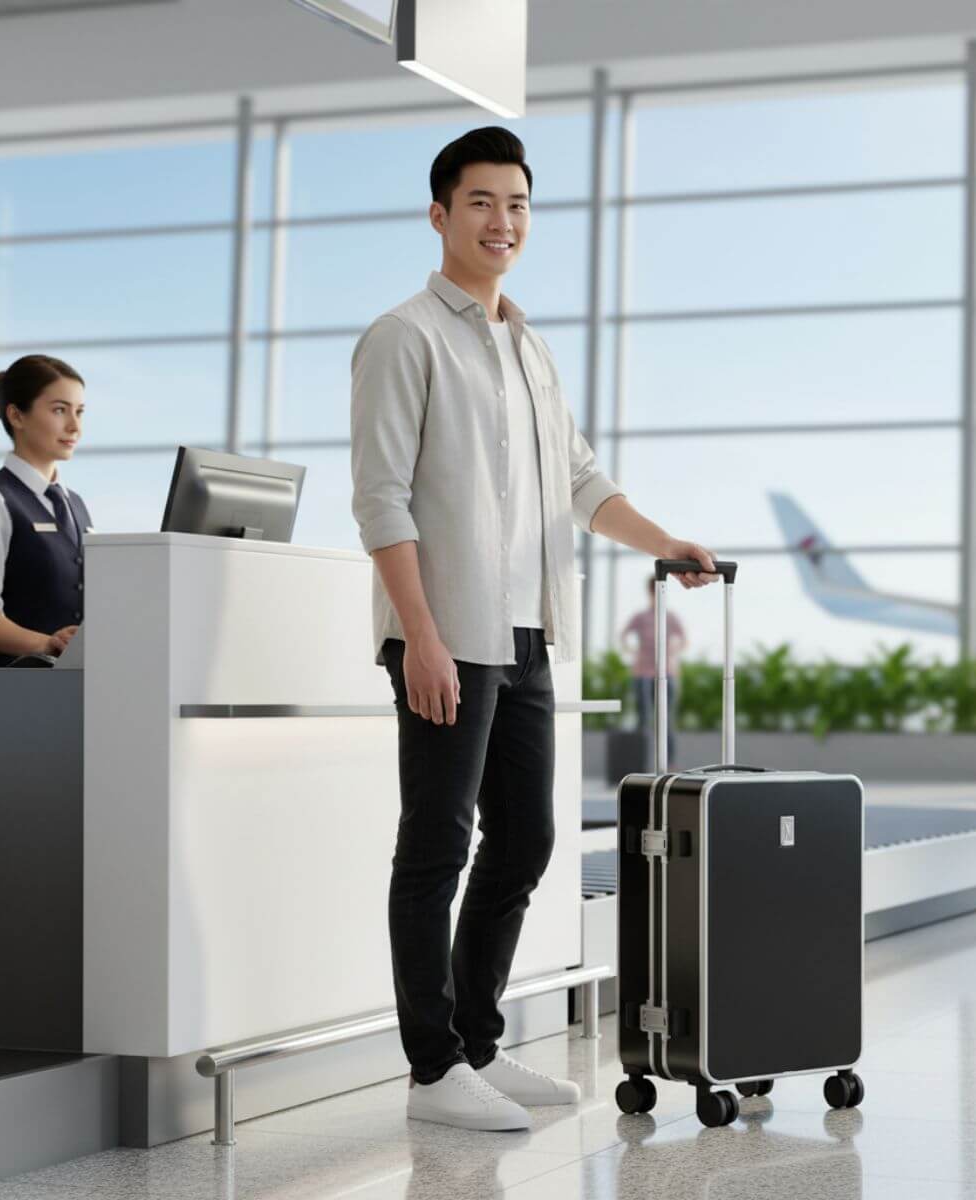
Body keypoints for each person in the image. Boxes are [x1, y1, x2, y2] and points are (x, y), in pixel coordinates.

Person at [350, 127, 719, 1133]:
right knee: (437, 846)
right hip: (445, 632)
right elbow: (381, 499)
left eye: (515, 203)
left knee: (528, 840)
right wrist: (417, 635)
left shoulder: (529, 345)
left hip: (524, 633)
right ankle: (433, 1073)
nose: (501, 220)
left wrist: (665, 540)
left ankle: (476, 1043)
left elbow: (582, 484)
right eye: (480, 202)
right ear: (440, 215)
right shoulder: (403, 335)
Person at [0, 356, 91, 668]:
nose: (75, 426)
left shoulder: (77, 504)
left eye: (79, 412)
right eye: (59, 410)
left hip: (71, 684)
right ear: (16, 416)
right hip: (11, 685)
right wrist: (47, 643)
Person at [621, 573, 687, 768]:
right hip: (643, 673)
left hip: (666, 672)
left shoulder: (670, 616)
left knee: (666, 721)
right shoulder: (641, 617)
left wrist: (673, 651)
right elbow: (624, 635)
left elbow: (683, 639)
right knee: (643, 719)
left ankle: (670, 764)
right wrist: (634, 652)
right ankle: (639, 763)